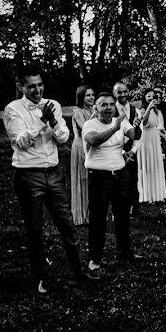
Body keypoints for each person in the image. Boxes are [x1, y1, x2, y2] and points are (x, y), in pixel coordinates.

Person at [3, 66, 94, 294]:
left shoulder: (52, 104)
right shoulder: (13, 109)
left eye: (40, 84)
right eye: (32, 86)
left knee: (67, 225)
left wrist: (53, 121)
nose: (37, 89)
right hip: (28, 175)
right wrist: (42, 121)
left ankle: (78, 271)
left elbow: (63, 138)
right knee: (34, 229)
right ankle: (41, 276)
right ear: (20, 87)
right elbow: (21, 141)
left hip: (53, 174)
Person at [83, 91, 142, 276]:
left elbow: (135, 135)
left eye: (110, 104)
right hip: (99, 177)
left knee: (122, 216)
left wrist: (137, 127)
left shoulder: (121, 122)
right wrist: (115, 128)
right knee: (98, 219)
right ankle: (95, 258)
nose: (108, 108)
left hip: (120, 175)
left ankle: (123, 254)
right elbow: (94, 140)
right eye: (103, 104)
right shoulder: (90, 124)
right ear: (96, 108)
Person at [112, 82, 142, 215]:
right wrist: (122, 152)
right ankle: (119, 209)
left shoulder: (135, 110)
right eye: (119, 92)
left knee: (133, 179)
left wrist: (133, 151)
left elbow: (139, 135)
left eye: (124, 91)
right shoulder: (111, 110)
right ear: (114, 94)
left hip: (132, 151)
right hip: (116, 151)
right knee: (118, 182)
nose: (123, 95)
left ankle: (134, 207)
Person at [136, 89, 166, 203]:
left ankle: (157, 194)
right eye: (148, 96)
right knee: (147, 165)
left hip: (154, 138)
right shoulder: (143, 110)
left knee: (156, 165)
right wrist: (149, 107)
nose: (151, 98)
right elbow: (143, 123)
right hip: (146, 138)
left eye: (153, 96)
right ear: (144, 98)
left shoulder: (158, 111)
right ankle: (147, 195)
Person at [70, 85, 95, 226]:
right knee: (83, 177)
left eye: (92, 95)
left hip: (94, 147)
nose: (91, 98)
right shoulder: (77, 111)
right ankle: (81, 215)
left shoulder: (93, 110)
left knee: (93, 179)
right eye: (88, 95)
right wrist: (95, 114)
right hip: (81, 146)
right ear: (81, 97)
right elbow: (86, 127)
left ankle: (93, 213)